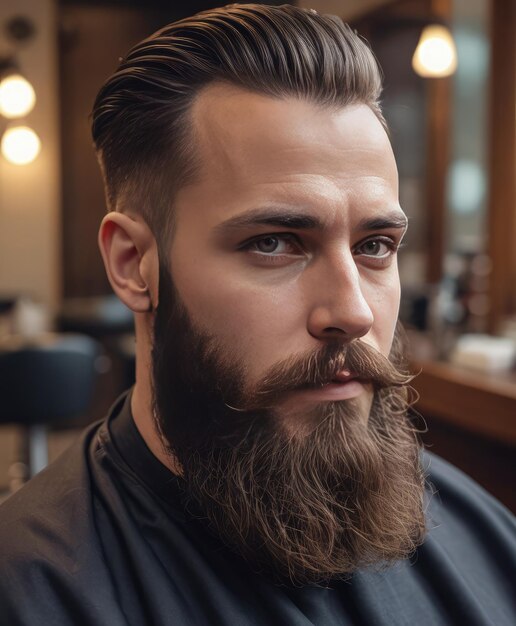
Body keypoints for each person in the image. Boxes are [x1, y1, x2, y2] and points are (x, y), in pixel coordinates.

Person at [0, 4, 514, 625]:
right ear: (135, 263)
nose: (352, 312)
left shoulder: (484, 535)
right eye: (274, 243)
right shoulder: (33, 590)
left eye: (374, 246)